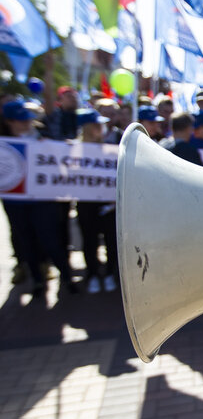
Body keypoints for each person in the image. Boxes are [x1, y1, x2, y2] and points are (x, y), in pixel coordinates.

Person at [2, 101, 77, 297]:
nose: (25, 124)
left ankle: (67, 277)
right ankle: (37, 280)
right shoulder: (4, 144)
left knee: (51, 240)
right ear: (9, 122)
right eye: (19, 121)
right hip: (16, 202)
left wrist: (54, 149)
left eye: (26, 120)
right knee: (26, 240)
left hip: (43, 201)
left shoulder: (44, 138)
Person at [74, 109, 118, 294]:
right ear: (87, 127)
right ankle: (92, 274)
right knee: (89, 241)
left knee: (111, 240)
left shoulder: (110, 149)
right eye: (96, 124)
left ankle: (109, 273)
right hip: (86, 204)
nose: (101, 127)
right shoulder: (72, 151)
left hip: (109, 203)